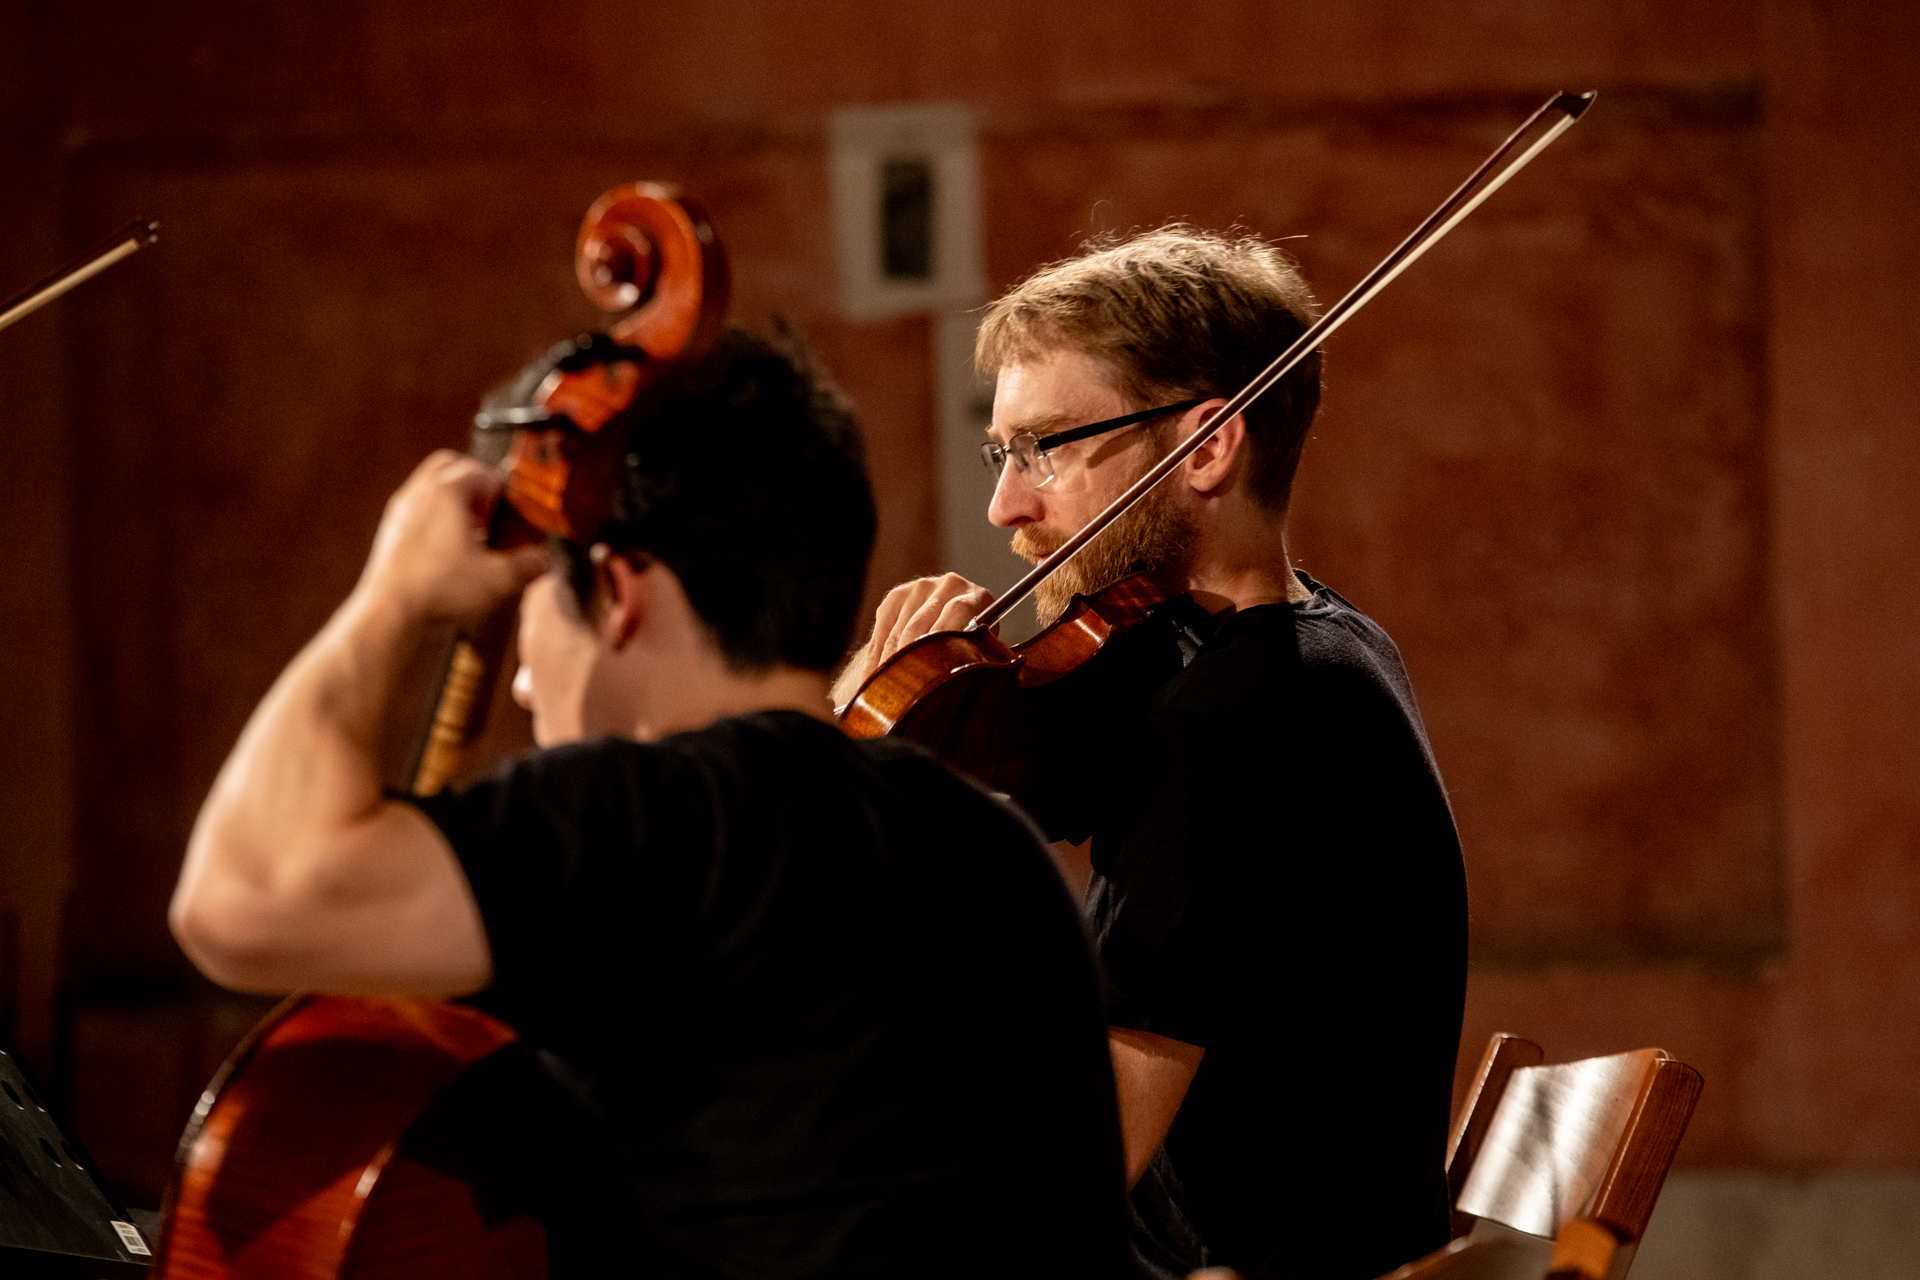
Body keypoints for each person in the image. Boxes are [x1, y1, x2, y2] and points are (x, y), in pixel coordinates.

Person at [171, 330, 1138, 1278]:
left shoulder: (649, 820)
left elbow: (241, 899)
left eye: (534, 602)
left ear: (620, 594)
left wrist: (393, 598)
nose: (517, 683)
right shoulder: (994, 845)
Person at [831, 229, 1470, 1280]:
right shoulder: (1321, 651)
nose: (1006, 506)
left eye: (1046, 446)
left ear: (1208, 446)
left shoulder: (1235, 725)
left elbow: (1069, 1167)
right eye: (1003, 451)